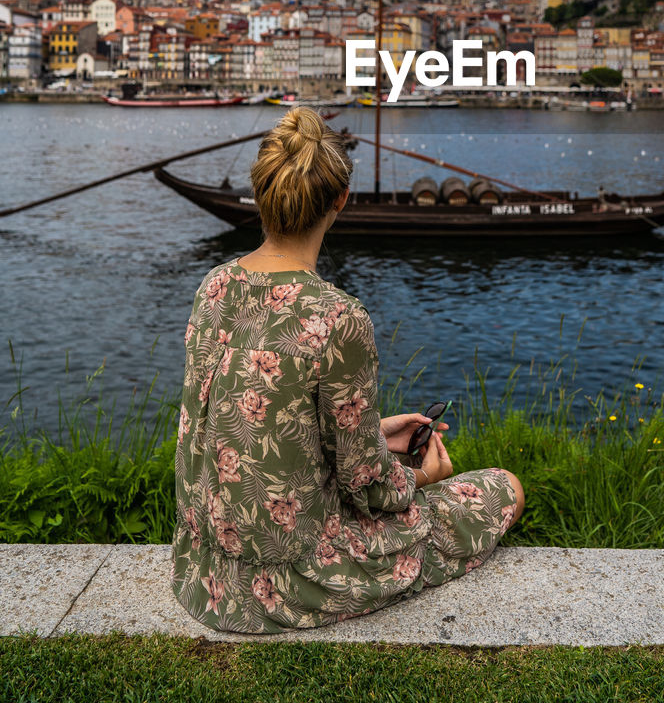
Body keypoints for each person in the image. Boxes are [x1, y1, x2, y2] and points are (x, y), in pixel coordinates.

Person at [171, 107, 524, 632]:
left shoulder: (215, 285)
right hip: (287, 581)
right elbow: (368, 487)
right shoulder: (338, 317)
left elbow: (245, 426)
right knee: (506, 487)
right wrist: (421, 477)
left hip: (203, 570)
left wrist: (376, 432)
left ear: (263, 192)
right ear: (339, 201)